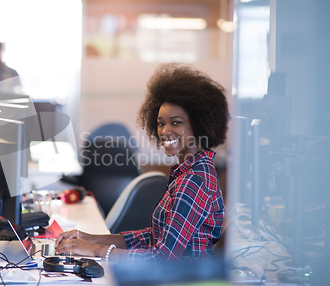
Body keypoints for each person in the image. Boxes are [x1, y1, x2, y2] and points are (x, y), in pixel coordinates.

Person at [55, 63, 229, 261]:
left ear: (199, 125)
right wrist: (91, 239)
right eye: (161, 123)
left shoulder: (194, 181)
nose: (165, 131)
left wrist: (96, 250)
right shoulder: (188, 171)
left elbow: (161, 258)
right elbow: (155, 237)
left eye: (176, 122)